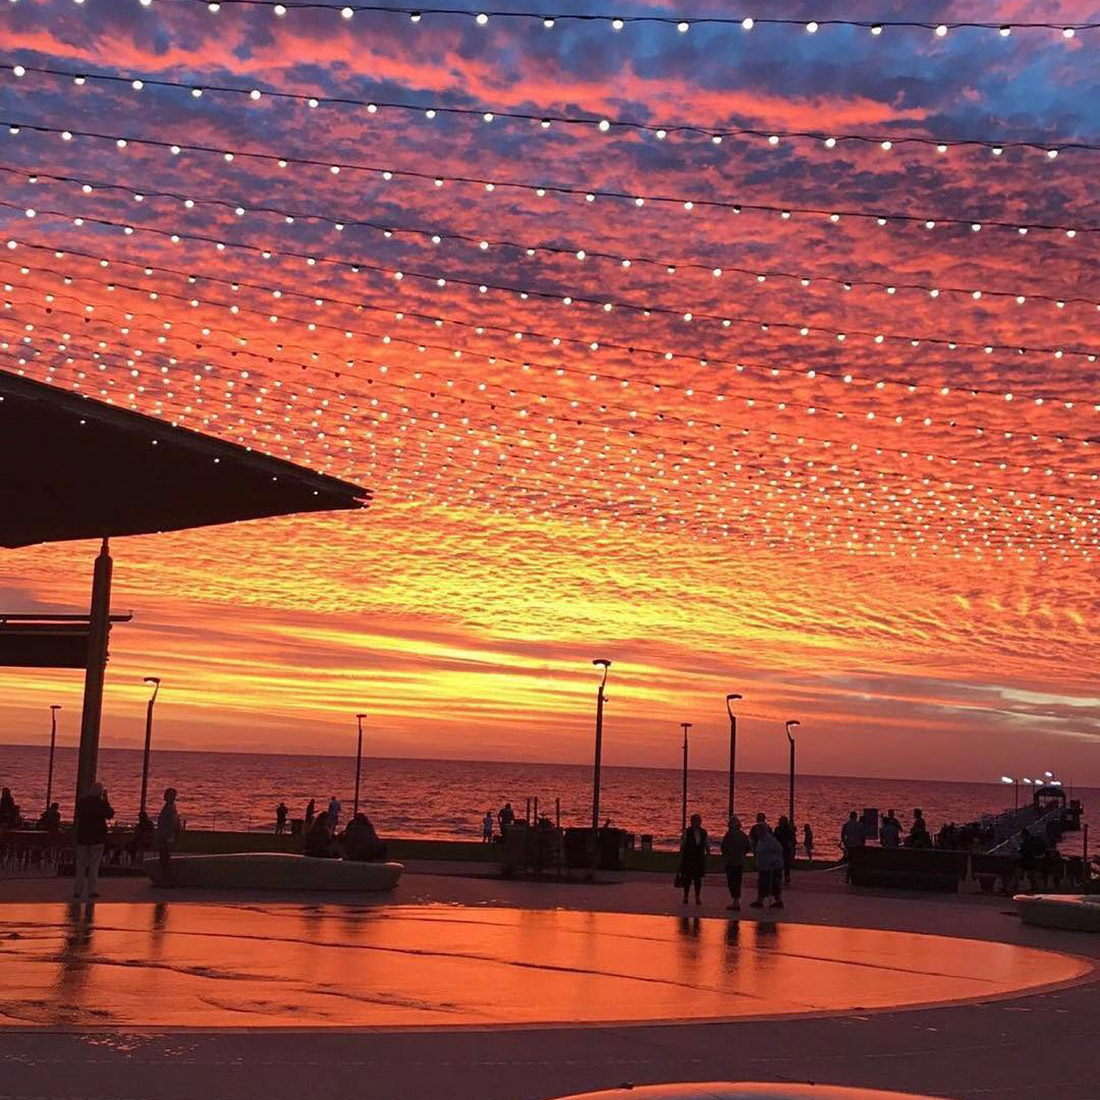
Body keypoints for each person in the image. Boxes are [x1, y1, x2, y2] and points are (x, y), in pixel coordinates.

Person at [72, 782, 114, 901]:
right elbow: (110, 814)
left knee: (81, 865)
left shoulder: (82, 803)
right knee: (94, 866)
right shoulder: (101, 804)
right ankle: (91, 891)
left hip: (83, 837)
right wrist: (106, 799)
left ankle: (77, 891)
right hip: (97, 838)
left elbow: (79, 816)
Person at [720, 815, 750, 911]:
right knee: (737, 881)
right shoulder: (743, 835)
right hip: (739, 861)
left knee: (732, 881)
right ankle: (736, 900)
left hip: (731, 861)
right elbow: (748, 847)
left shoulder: (729, 835)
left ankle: (735, 901)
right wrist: (742, 854)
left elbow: (723, 847)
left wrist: (727, 855)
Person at [678, 813, 709, 905]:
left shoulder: (704, 832)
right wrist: (681, 856)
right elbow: (683, 845)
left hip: (699, 858)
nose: (697, 823)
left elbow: (707, 844)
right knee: (687, 878)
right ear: (692, 822)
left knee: (698, 879)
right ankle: (686, 896)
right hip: (689, 858)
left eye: (699, 821)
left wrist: (708, 853)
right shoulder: (687, 832)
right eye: (695, 821)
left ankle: (697, 897)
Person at [751, 826, 785, 909]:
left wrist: (775, 860)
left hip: (771, 867)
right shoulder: (761, 840)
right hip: (763, 866)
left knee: (773, 884)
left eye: (757, 832)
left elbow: (779, 849)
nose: (756, 834)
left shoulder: (770, 840)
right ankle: (760, 900)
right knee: (762, 883)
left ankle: (778, 901)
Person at [156, 788, 180, 882]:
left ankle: (167, 880)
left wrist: (166, 836)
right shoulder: (168, 807)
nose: (164, 795)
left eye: (167, 794)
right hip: (164, 836)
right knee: (164, 859)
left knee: (165, 859)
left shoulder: (170, 808)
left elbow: (172, 823)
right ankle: (165, 879)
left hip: (166, 837)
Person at [840, 811, 865, 883]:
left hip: (849, 845)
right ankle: (853, 877)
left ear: (850, 816)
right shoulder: (860, 825)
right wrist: (862, 846)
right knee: (855, 862)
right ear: (856, 817)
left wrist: (846, 844)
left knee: (850, 862)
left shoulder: (846, 825)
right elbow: (863, 837)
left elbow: (842, 837)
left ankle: (848, 878)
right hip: (857, 845)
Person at [774, 815, 796, 885]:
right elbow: (774, 838)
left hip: (786, 848)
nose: (780, 822)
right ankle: (778, 876)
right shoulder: (777, 829)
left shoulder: (788, 830)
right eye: (780, 821)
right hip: (778, 848)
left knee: (786, 863)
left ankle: (787, 876)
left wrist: (791, 847)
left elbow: (791, 839)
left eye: (781, 821)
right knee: (778, 863)